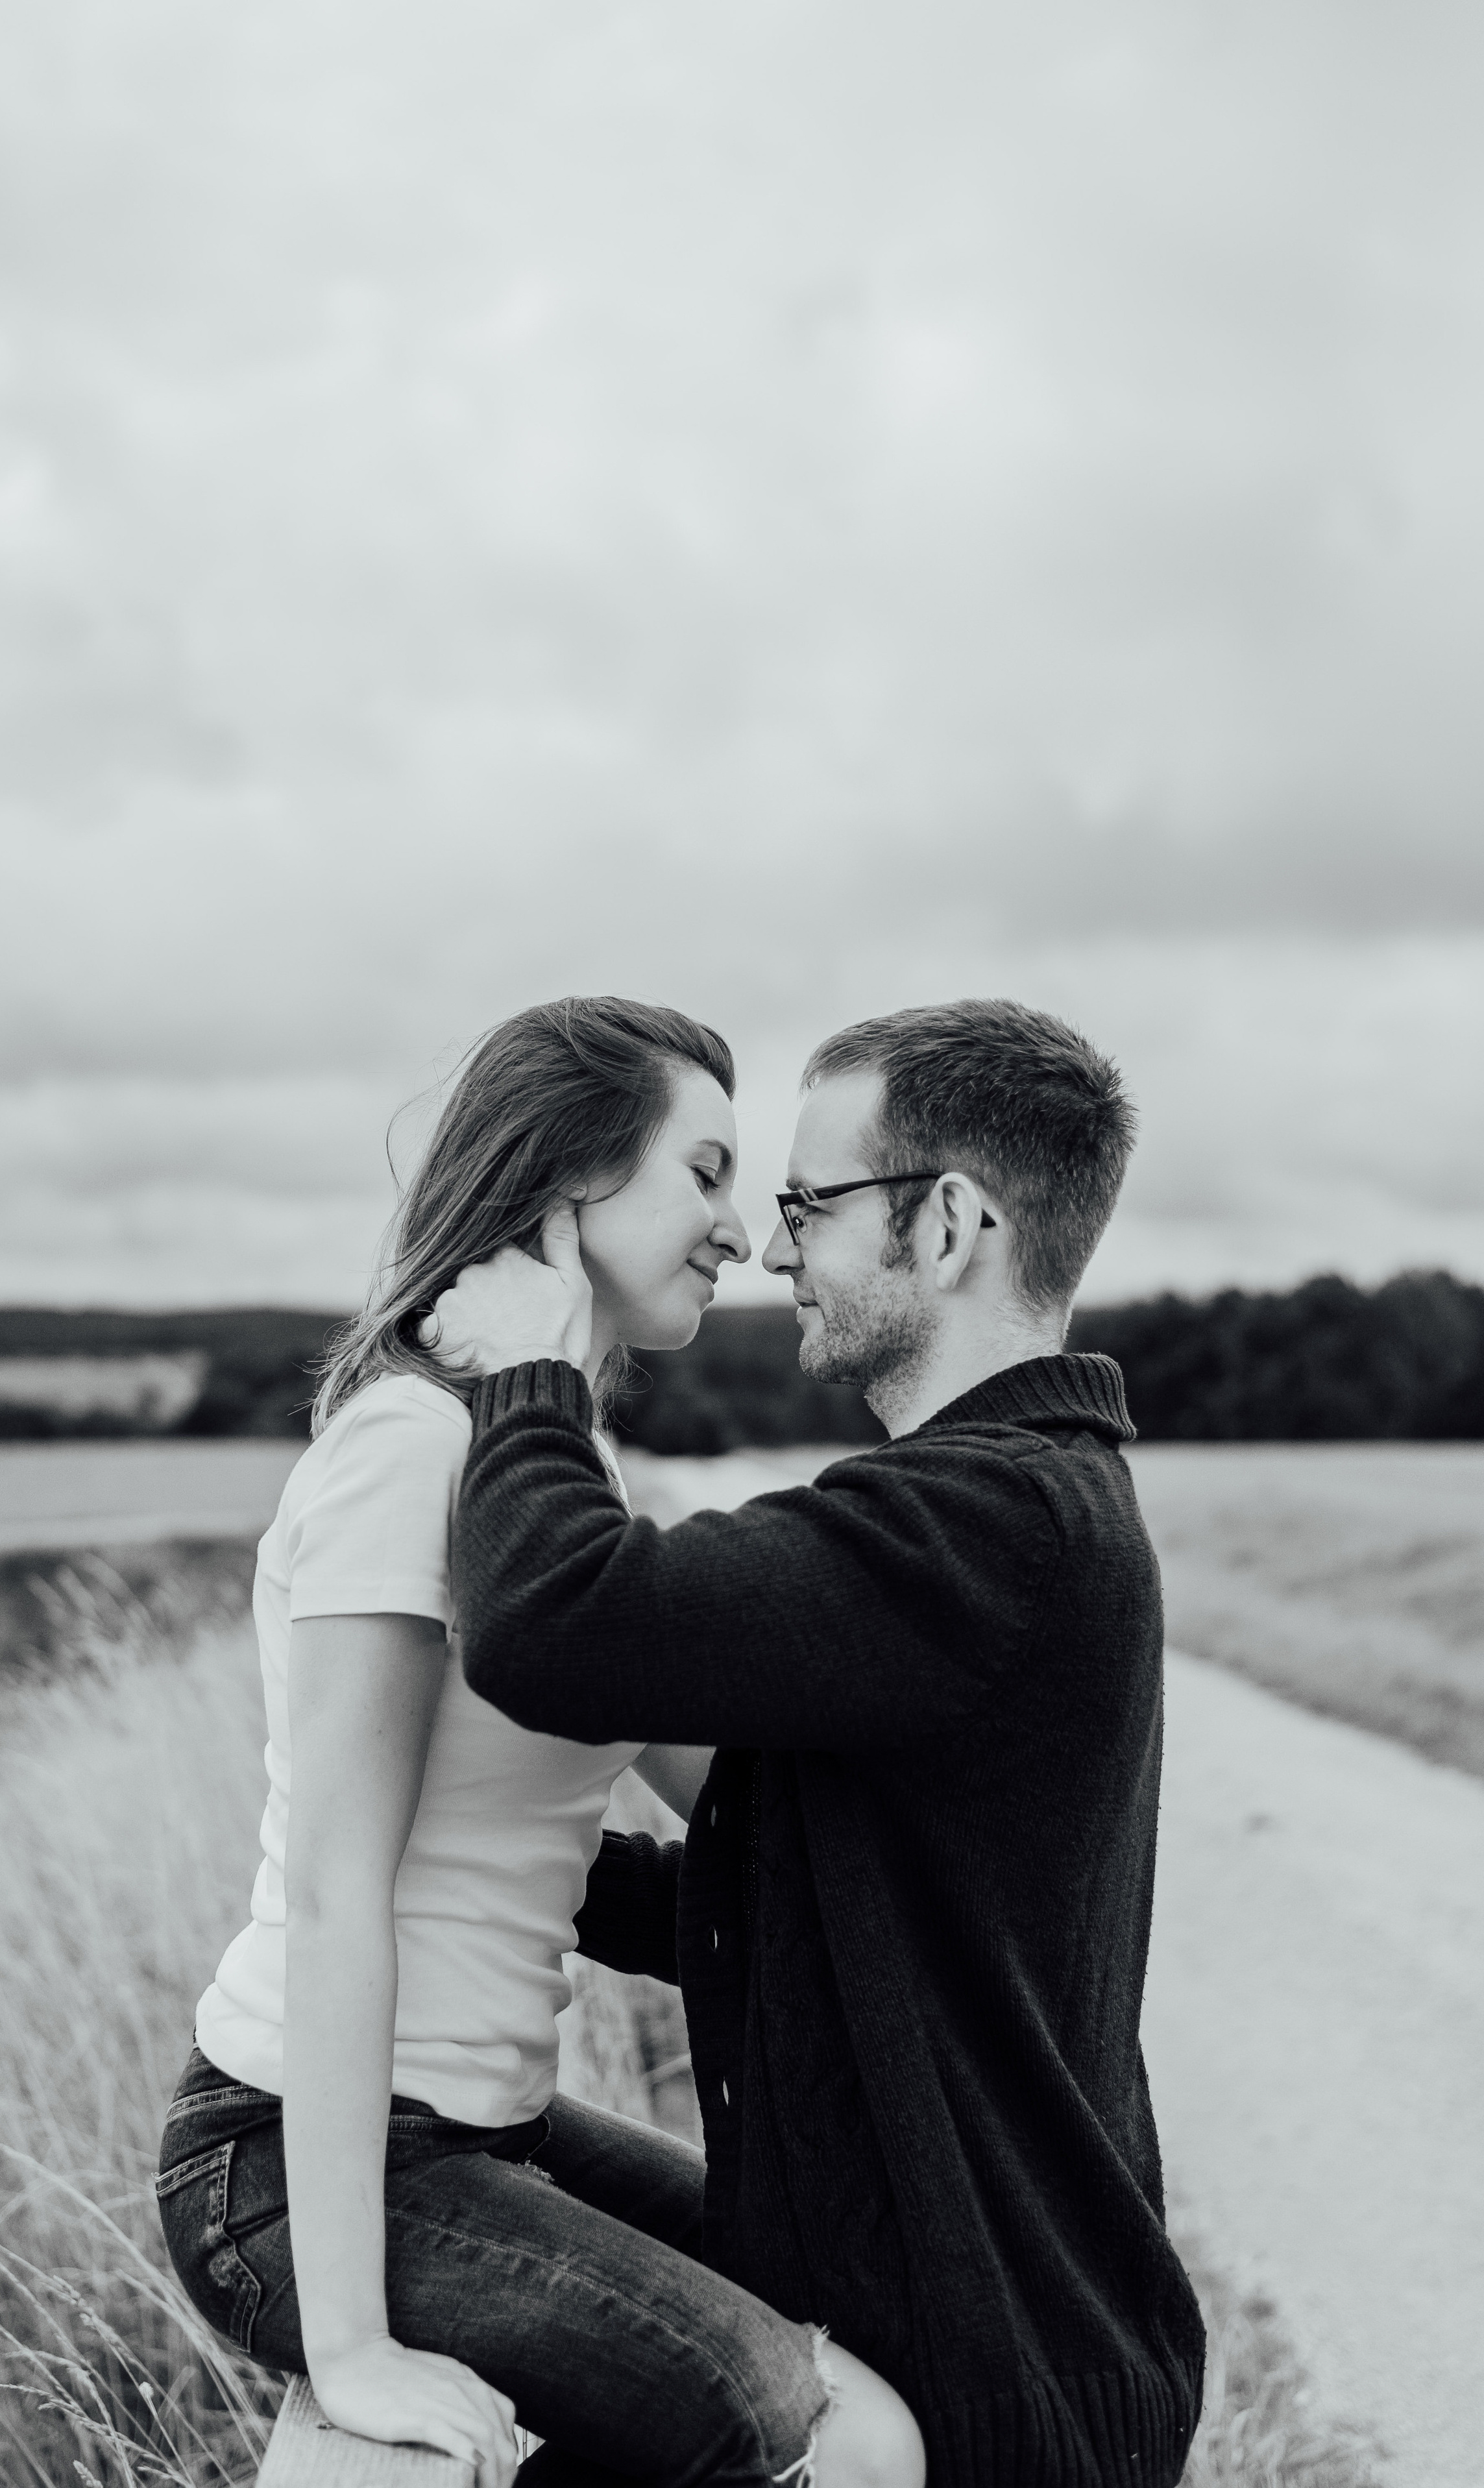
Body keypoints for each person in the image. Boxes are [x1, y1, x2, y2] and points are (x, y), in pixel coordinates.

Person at [433, 999, 1209, 2488]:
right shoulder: (1015, 1509)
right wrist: (479, 1856)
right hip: (980, 2352)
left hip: (987, 2397)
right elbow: (794, 1900)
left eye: (808, 1202)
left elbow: (551, 1617)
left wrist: (524, 1378)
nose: (773, 1246)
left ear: (948, 1225)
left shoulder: (991, 1521)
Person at [155, 995, 926, 2488]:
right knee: (830, 2440)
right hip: (292, 2162)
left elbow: (728, 1799)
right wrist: (353, 2346)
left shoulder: (552, 1470)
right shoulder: (411, 1450)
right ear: (573, 1186)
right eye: (702, 1173)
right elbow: (332, 1895)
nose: (736, 1227)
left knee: (833, 2294)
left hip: (479, 2136)